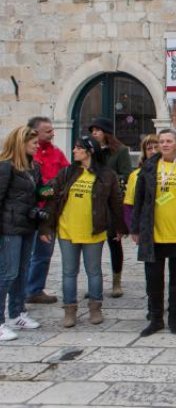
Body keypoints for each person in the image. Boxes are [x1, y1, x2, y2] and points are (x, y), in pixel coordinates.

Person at [40, 136, 126, 327]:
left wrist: (119, 228)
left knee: (94, 271)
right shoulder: (67, 173)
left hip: (93, 232)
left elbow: (115, 203)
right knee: (69, 272)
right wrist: (38, 189)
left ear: (90, 151)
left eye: (78, 148)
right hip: (67, 231)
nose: (74, 151)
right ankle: (69, 310)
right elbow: (51, 197)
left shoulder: (107, 175)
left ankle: (95, 308)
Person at [132, 128, 176, 336]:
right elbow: (139, 199)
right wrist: (136, 228)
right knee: (153, 278)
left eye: (168, 141)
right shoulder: (149, 166)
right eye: (161, 141)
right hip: (154, 231)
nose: (164, 144)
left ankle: (173, 316)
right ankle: (156, 318)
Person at [0, 126, 45, 342]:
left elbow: (38, 193)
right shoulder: (6, 167)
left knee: (21, 271)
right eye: (34, 143)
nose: (38, 146)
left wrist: (52, 189)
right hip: (9, 227)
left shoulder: (33, 167)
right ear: (22, 142)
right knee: (7, 273)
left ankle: (16, 313)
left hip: (28, 225)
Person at [25, 116, 70, 305]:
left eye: (52, 130)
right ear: (35, 132)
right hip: (28, 211)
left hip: (49, 212)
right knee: (24, 254)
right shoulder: (27, 155)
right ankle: (21, 290)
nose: (52, 133)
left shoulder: (57, 153)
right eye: (48, 131)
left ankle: (35, 290)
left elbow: (68, 174)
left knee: (44, 253)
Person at [89, 117, 132, 298]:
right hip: (94, 202)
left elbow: (126, 174)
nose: (94, 133)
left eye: (98, 130)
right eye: (92, 131)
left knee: (115, 241)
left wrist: (109, 179)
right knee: (93, 243)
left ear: (106, 132)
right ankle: (94, 282)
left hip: (112, 202)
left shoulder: (120, 151)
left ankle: (116, 281)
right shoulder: (90, 151)